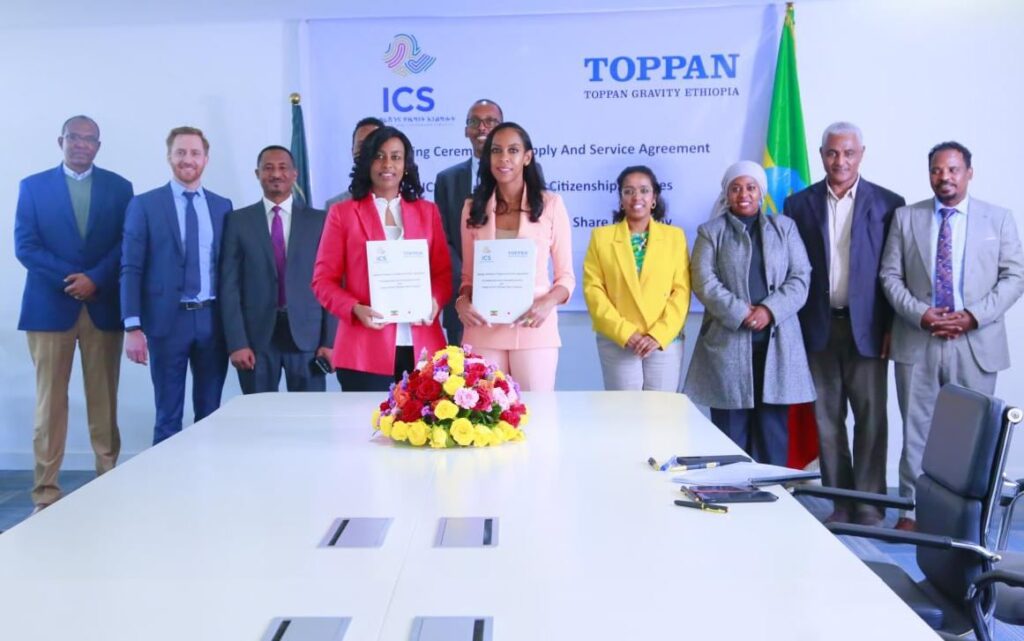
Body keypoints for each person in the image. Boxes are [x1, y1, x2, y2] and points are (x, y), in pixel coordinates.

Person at [880, 141, 1024, 532]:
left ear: (969, 173)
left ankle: (968, 518)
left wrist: (973, 317)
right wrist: (921, 314)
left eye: (953, 169)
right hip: (918, 339)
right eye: (937, 170)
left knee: (974, 436)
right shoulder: (906, 218)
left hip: (976, 343)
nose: (944, 177)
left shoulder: (998, 220)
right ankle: (911, 511)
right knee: (917, 430)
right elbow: (889, 276)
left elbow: (1015, 276)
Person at [784, 122, 906, 526]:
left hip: (869, 328)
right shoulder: (797, 204)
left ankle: (868, 504)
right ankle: (839, 500)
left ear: (861, 154)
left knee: (871, 418)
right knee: (826, 419)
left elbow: (895, 272)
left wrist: (891, 327)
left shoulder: (889, 204)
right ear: (821, 155)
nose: (840, 161)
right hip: (818, 327)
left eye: (849, 153)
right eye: (833, 153)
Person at [14, 115, 133, 514]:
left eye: (89, 139)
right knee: (50, 404)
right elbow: (25, 246)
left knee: (104, 401)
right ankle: (45, 492)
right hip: (49, 308)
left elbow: (126, 243)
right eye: (74, 138)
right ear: (60, 141)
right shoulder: (32, 187)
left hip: (102, 306)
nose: (81, 144)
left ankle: (108, 482)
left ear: (98, 145)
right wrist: (73, 280)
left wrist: (95, 279)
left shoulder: (120, 188)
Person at [684, 161, 815, 465]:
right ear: (726, 194)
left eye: (750, 187)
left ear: (761, 193)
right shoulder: (711, 232)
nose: (743, 194)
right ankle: (733, 491)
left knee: (773, 434)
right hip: (728, 348)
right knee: (730, 437)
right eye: (736, 188)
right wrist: (741, 312)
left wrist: (769, 310)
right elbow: (703, 281)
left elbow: (801, 277)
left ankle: (774, 493)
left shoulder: (785, 227)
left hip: (778, 348)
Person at [312, 126, 452, 391]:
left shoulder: (428, 212)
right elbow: (323, 281)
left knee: (423, 419)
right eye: (379, 156)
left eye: (396, 157)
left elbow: (443, 274)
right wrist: (354, 308)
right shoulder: (342, 213)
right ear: (366, 162)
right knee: (363, 420)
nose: (388, 164)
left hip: (422, 347)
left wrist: (434, 301)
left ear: (406, 165)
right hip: (363, 350)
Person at [120, 126, 232, 444]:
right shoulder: (145, 205)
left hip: (212, 320)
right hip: (167, 322)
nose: (188, 159)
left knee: (210, 412)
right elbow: (130, 268)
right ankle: (164, 475)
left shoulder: (222, 206)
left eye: (195, 153)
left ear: (206, 159)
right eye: (180, 152)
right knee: (168, 414)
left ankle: (207, 473)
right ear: (169, 156)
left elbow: (229, 268)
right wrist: (132, 326)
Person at [455, 122, 574, 391]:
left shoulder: (551, 204)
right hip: (483, 328)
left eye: (513, 150)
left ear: (527, 157)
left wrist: (547, 302)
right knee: (484, 410)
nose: (504, 158)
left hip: (533, 326)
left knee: (537, 411)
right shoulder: (472, 208)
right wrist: (461, 301)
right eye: (496, 151)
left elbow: (566, 278)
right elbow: (468, 277)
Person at [219, 145, 336, 393]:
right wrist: (237, 343)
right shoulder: (238, 222)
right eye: (268, 168)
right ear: (257, 174)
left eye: (283, 168)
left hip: (308, 339)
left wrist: (330, 341)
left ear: (294, 174)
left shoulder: (319, 221)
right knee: (258, 414)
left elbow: (332, 282)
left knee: (310, 413)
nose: (276, 174)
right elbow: (229, 287)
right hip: (256, 341)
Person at [583, 165, 690, 391]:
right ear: (621, 199)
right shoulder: (601, 237)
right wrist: (626, 333)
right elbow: (593, 290)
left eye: (644, 190)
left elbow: (681, 291)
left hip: (664, 341)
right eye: (628, 191)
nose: (636, 197)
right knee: (624, 410)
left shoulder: (675, 237)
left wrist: (658, 335)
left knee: (662, 410)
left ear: (654, 198)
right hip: (618, 341)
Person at [434, 99, 504, 347]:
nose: (482, 128)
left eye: (490, 121)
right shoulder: (447, 179)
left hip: (510, 295)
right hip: (462, 302)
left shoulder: (523, 176)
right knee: (462, 370)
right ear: (466, 130)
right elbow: (444, 240)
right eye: (474, 122)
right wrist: (466, 285)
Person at [324, 117, 383, 210]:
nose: (367, 150)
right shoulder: (334, 206)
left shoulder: (404, 203)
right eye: (361, 145)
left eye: (374, 144)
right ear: (352, 151)